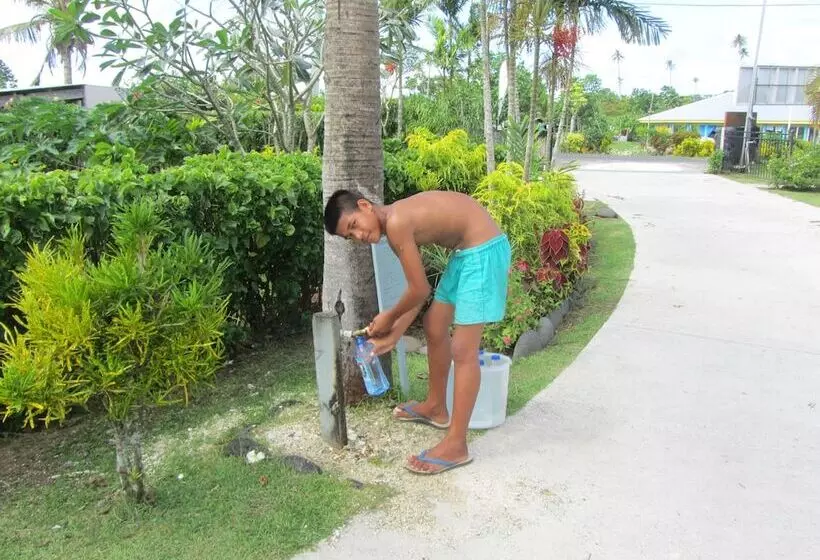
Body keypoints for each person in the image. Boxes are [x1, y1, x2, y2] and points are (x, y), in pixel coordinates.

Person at [323, 189, 511, 475]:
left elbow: (419, 290)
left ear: (365, 206)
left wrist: (389, 317)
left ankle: (457, 445)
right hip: (466, 253)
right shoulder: (395, 224)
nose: (358, 236)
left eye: (354, 225)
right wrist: (394, 332)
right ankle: (436, 407)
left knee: (463, 350)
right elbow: (418, 292)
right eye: (350, 236)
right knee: (434, 323)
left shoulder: (397, 223)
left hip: (482, 252)